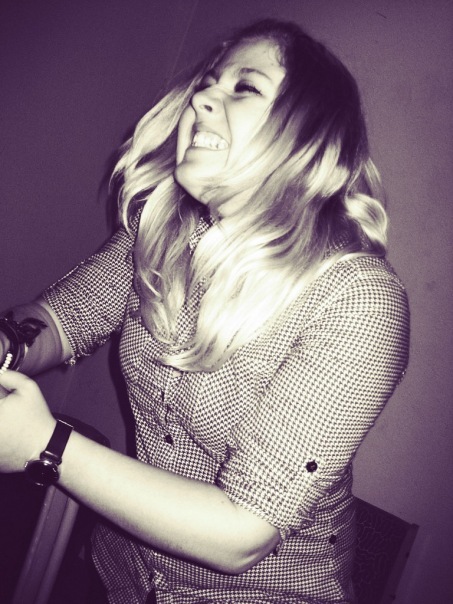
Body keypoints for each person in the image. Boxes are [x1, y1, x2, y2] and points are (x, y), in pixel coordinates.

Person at [0, 18, 409, 604]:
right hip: (121, 572)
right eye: (207, 84)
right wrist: (8, 344)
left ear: (312, 136)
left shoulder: (357, 299)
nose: (201, 99)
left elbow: (241, 533)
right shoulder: (161, 232)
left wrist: (46, 445)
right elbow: (64, 319)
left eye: (245, 87)